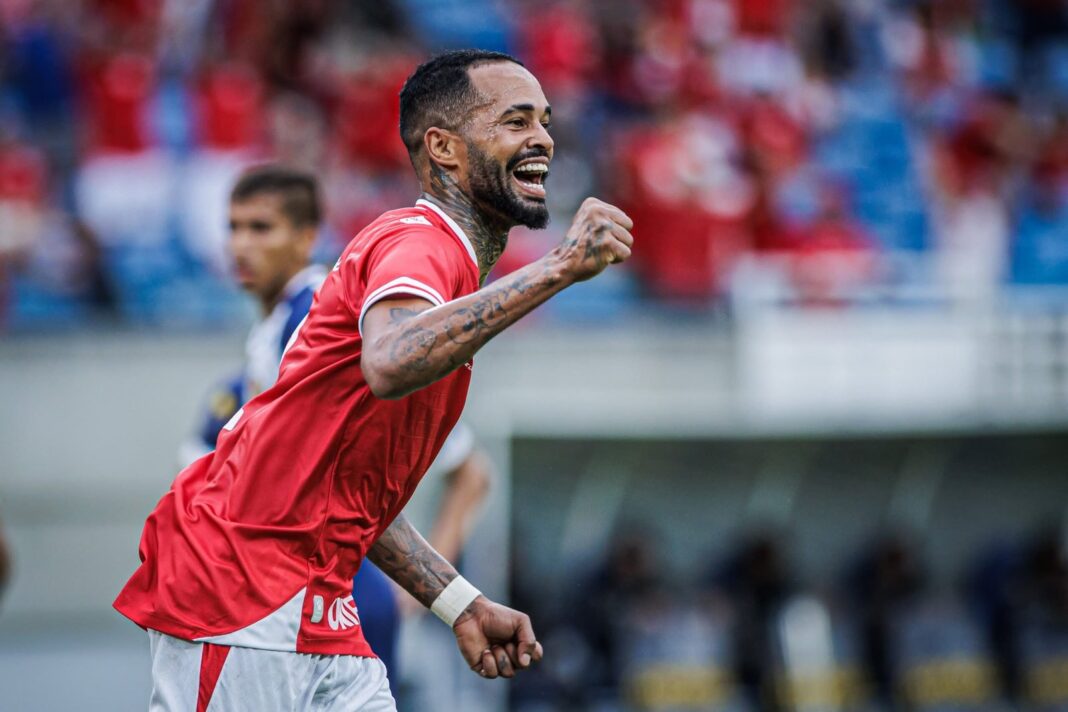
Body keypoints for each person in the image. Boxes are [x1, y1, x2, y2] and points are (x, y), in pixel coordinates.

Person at [114, 48, 634, 710]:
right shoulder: (422, 243)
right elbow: (390, 361)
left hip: (323, 602)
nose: (542, 139)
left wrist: (457, 602)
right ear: (443, 148)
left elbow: (345, 492)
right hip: (240, 591)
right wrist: (558, 267)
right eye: (515, 120)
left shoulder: (440, 271)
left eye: (545, 121)